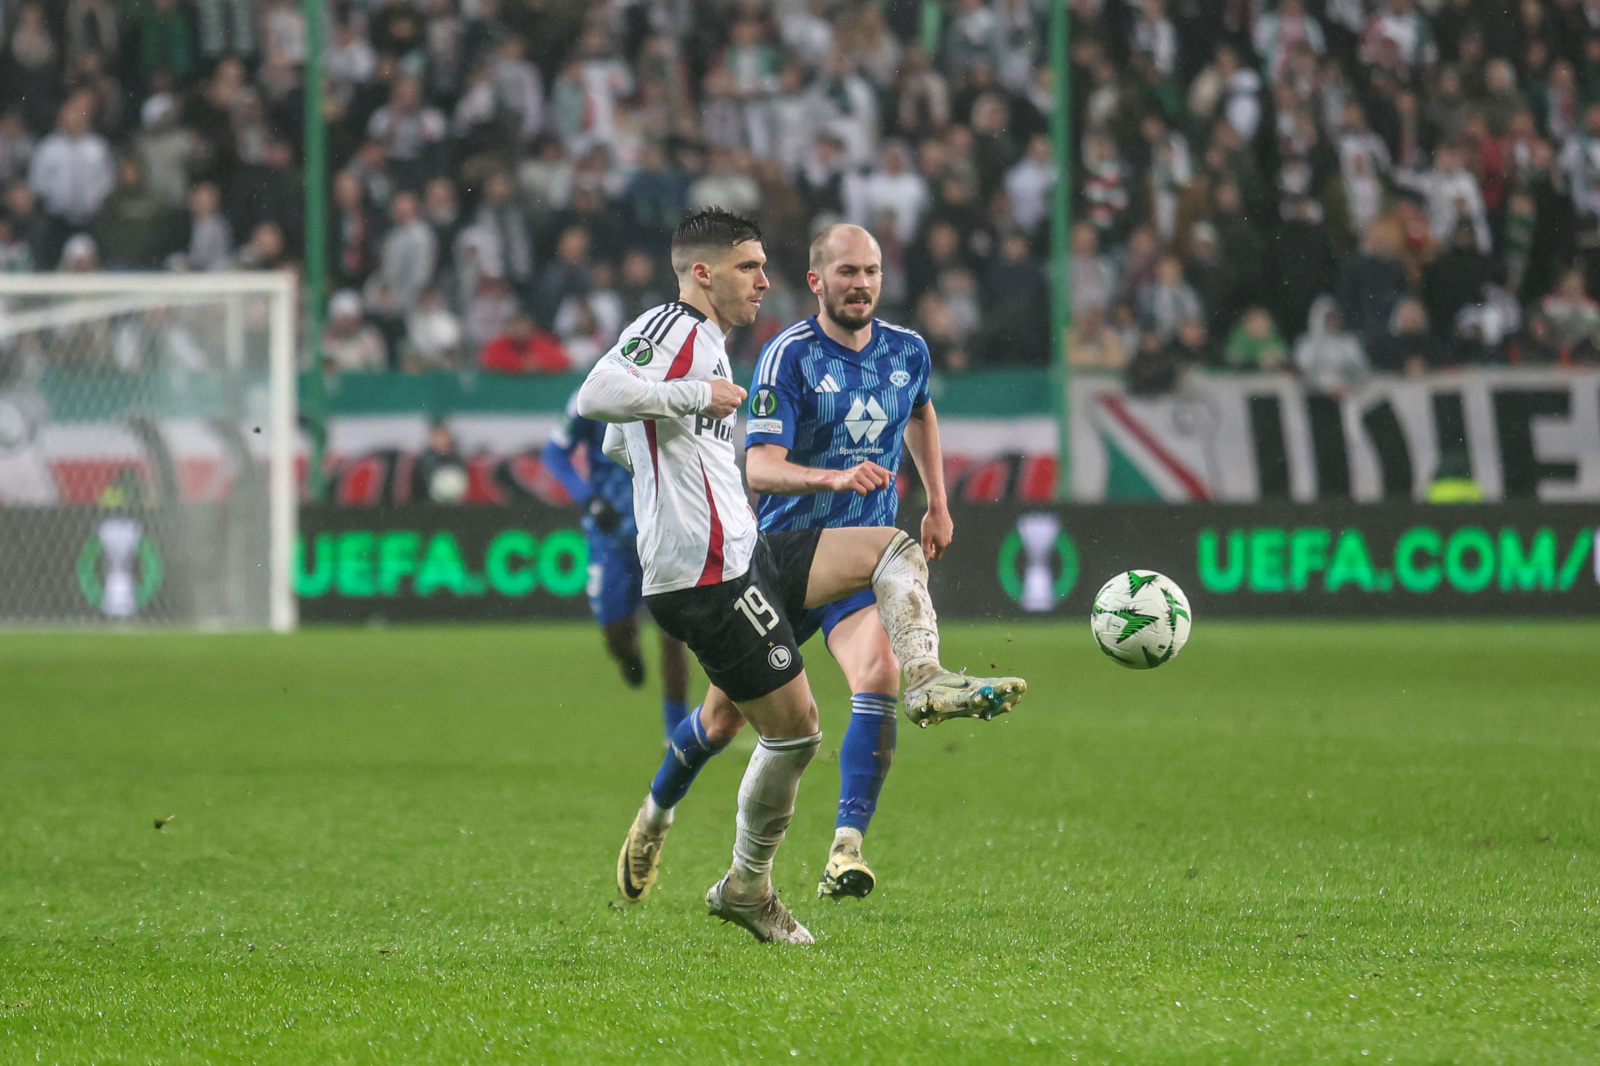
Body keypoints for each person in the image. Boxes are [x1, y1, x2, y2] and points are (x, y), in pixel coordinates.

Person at [578, 208, 1025, 944]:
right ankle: (738, 880)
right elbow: (598, 393)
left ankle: (927, 677)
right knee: (787, 734)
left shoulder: (715, 344)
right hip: (709, 579)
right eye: (750, 267)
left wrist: (667, 455)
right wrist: (692, 404)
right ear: (703, 272)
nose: (763, 279)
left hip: (744, 555)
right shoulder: (676, 328)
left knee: (891, 548)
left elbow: (620, 438)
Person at [676, 222, 955, 904]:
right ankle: (657, 806)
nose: (861, 284)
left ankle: (846, 849)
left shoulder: (907, 350)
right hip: (785, 560)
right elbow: (760, 469)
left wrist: (938, 502)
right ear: (817, 281)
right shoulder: (787, 356)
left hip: (861, 561)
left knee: (879, 670)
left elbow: (920, 411)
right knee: (720, 721)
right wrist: (831, 481)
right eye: (848, 272)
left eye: (871, 271)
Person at [542, 391, 691, 739]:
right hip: (610, 532)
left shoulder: (675, 388)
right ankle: (628, 653)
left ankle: (677, 730)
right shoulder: (594, 392)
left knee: (673, 635)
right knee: (616, 637)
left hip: (664, 526)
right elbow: (555, 451)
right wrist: (588, 499)